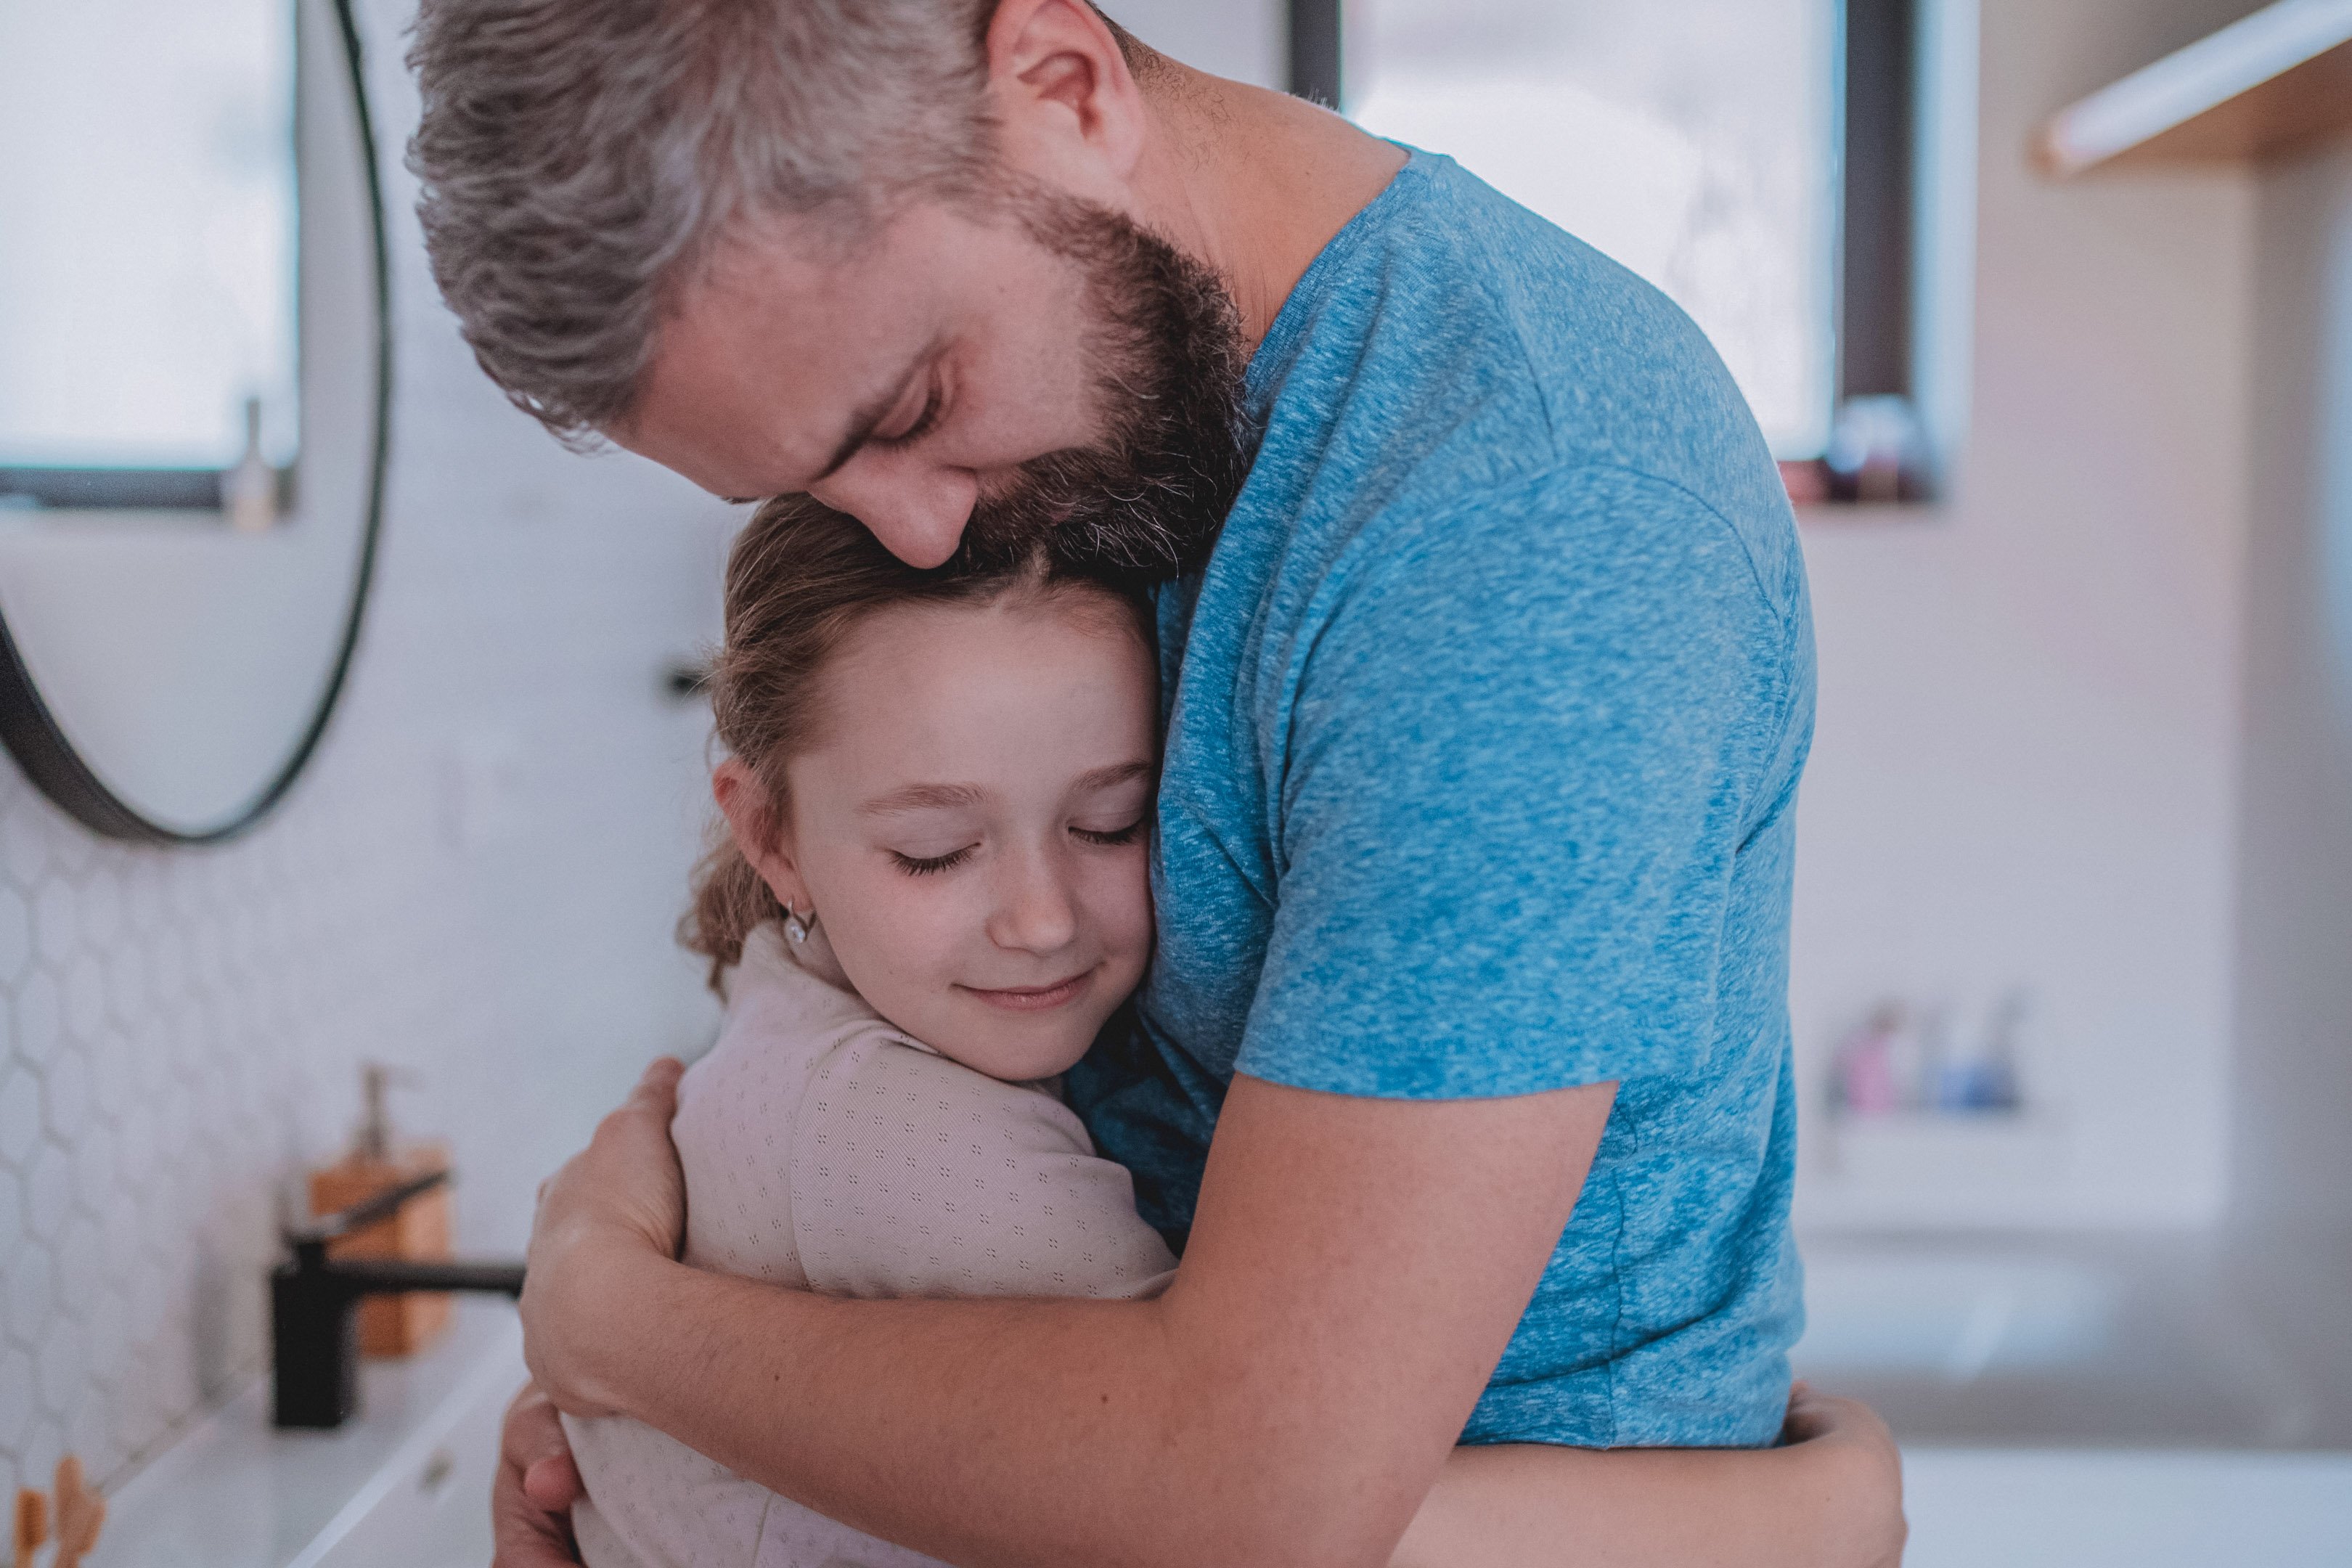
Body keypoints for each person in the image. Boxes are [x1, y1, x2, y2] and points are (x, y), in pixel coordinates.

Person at [405, 3, 1908, 1564]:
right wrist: (709, 1459)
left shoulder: (1525, 523)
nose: (915, 537)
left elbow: (1248, 1501)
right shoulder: (1126, 457)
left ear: (1061, 83)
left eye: (911, 408)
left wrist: (624, 1331)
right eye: (808, 485)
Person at [566, 496, 1892, 1568]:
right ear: (769, 832)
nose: (1038, 918)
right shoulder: (925, 1145)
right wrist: (1817, 1520)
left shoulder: (783, 1016)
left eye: (1109, 824)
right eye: (934, 850)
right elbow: (1236, 1518)